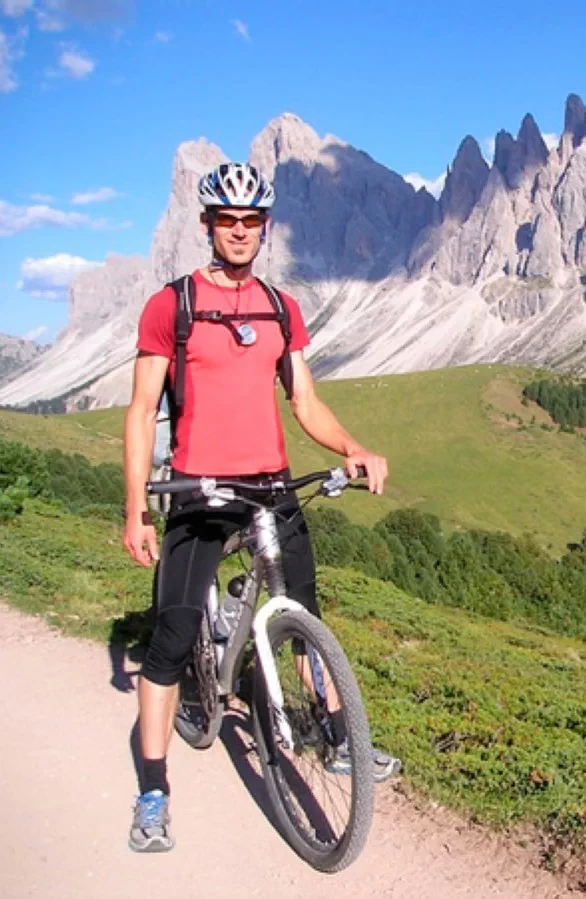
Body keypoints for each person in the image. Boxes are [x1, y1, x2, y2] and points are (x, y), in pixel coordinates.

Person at [122, 162, 400, 854]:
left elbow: (304, 403)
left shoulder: (281, 307)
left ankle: (339, 740)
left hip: (270, 485)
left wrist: (354, 447)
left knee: (304, 612)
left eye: (251, 222)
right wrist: (136, 508)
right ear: (209, 225)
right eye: (228, 221)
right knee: (173, 636)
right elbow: (139, 411)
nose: (240, 232)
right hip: (197, 490)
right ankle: (152, 789)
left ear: (264, 228)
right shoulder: (172, 306)